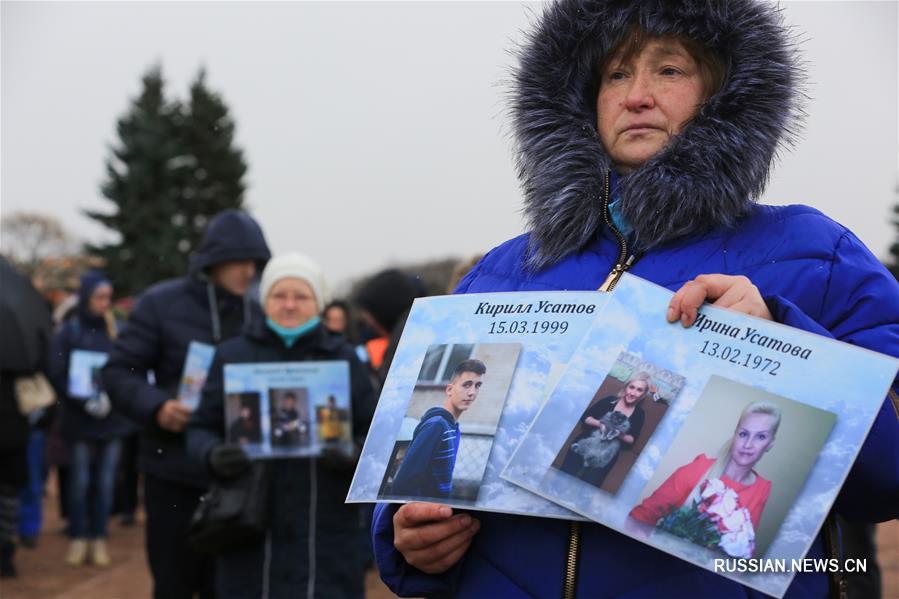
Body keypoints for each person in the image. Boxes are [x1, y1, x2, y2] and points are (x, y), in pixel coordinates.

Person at [372, 1, 899, 597]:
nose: (637, 95)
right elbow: (415, 483)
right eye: (616, 74)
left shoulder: (819, 256)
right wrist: (407, 534)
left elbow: (889, 475)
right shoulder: (499, 275)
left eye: (669, 70)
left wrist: (785, 339)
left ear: (725, 91)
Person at [187, 252, 377, 599]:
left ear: (318, 303)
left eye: (301, 296)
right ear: (265, 301)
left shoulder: (343, 358)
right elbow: (199, 428)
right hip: (248, 527)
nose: (289, 305)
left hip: (326, 530)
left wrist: (356, 453)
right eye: (279, 295)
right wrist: (212, 454)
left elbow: (379, 433)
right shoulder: (233, 356)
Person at [102, 209, 270, 599]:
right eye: (240, 260)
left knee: (231, 585)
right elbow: (117, 371)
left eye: (256, 263)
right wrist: (158, 407)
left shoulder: (259, 314)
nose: (249, 271)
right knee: (174, 582)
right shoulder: (160, 304)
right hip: (172, 471)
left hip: (240, 473)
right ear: (214, 260)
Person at [49, 271, 132, 567]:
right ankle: (79, 536)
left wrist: (113, 396)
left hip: (112, 420)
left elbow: (128, 368)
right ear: (86, 297)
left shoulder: (117, 331)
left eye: (108, 297)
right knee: (80, 481)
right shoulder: (69, 332)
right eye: (99, 296)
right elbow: (56, 372)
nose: (105, 303)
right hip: (79, 419)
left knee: (106, 482)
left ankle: (99, 537)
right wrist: (81, 398)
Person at [629, 401, 779, 552]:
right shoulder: (698, 469)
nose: (748, 444)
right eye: (744, 434)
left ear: (770, 444)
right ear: (735, 434)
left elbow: (743, 551)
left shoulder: (761, 489)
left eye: (760, 437)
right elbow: (640, 517)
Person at [389, 359, 486, 500]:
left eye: (477, 386)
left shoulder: (452, 427)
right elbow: (403, 484)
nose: (472, 392)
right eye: (466, 385)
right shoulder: (437, 425)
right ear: (449, 389)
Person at [558, 372, 651, 489]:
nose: (633, 393)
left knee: (588, 488)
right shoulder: (609, 400)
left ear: (643, 395)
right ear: (626, 387)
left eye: (639, 390)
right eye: (631, 387)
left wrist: (618, 434)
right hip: (587, 443)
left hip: (607, 454)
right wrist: (601, 424)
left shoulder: (639, 414)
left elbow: (632, 439)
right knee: (562, 479)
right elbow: (586, 417)